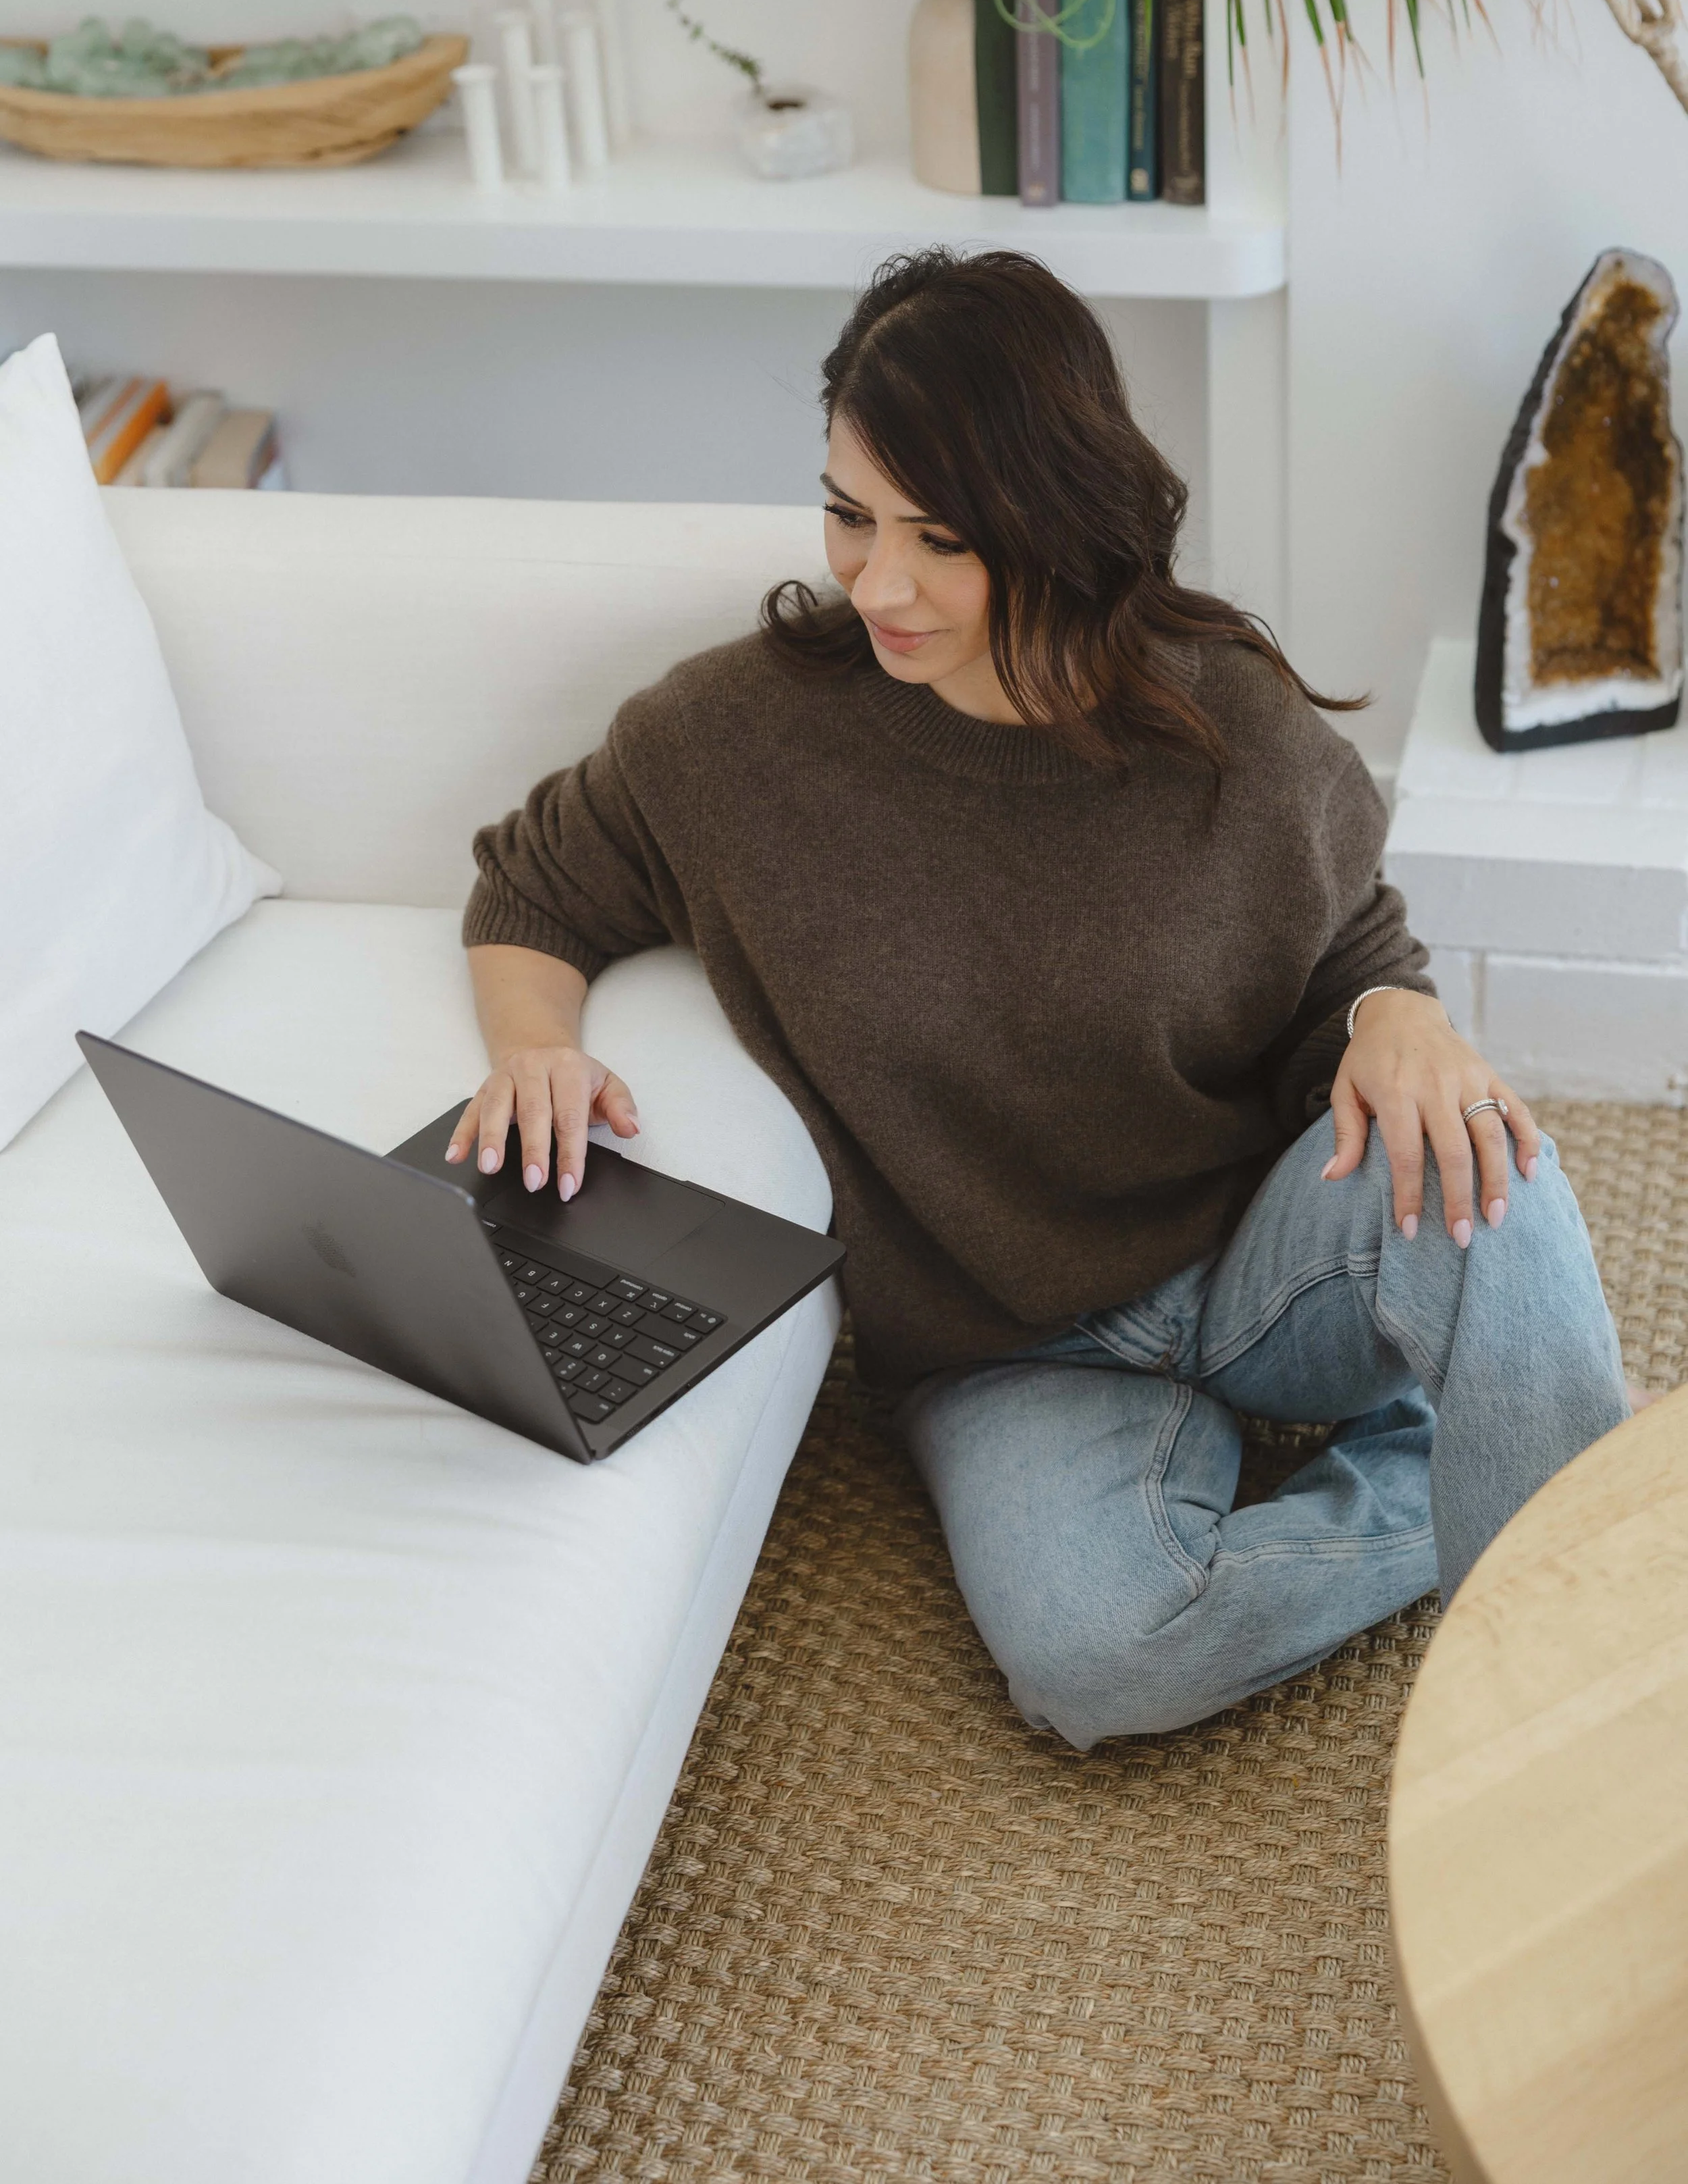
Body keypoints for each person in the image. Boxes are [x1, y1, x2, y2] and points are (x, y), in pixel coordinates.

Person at [449, 247, 1631, 1750]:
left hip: (1260, 1267)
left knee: (1492, 1169)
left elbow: (1349, 954)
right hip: (1001, 1351)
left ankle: (1599, 1620)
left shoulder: (1234, 736)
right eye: (847, 515)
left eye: (938, 538)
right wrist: (532, 1046)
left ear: (1054, 516)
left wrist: (1402, 1018)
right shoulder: (730, 742)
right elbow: (532, 884)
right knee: (1099, 1659)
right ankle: (1460, 1482)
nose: (878, 583)